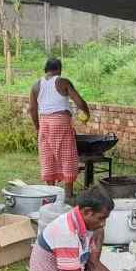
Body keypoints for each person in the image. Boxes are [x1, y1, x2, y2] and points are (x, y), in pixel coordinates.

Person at [28, 57, 90, 199]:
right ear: (59, 69)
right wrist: (87, 112)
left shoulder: (36, 85)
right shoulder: (63, 82)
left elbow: (32, 109)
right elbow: (79, 102)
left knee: (48, 155)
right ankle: (68, 193)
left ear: (46, 70)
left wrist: (38, 127)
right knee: (67, 155)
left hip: (45, 123)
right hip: (60, 122)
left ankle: (51, 192)